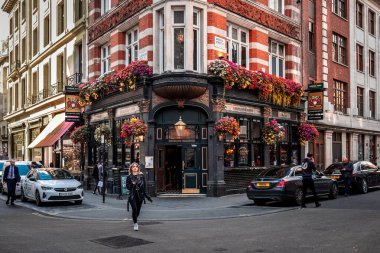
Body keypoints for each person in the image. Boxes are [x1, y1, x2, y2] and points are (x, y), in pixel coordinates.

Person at [126, 162, 152, 231]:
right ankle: (135, 223)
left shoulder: (141, 176)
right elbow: (128, 187)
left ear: (138, 168)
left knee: (137, 211)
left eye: (136, 166)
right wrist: (132, 184)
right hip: (132, 195)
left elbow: (144, 186)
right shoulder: (129, 177)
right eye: (133, 166)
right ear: (131, 168)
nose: (135, 167)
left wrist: (146, 195)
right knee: (134, 209)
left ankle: (134, 218)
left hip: (140, 196)